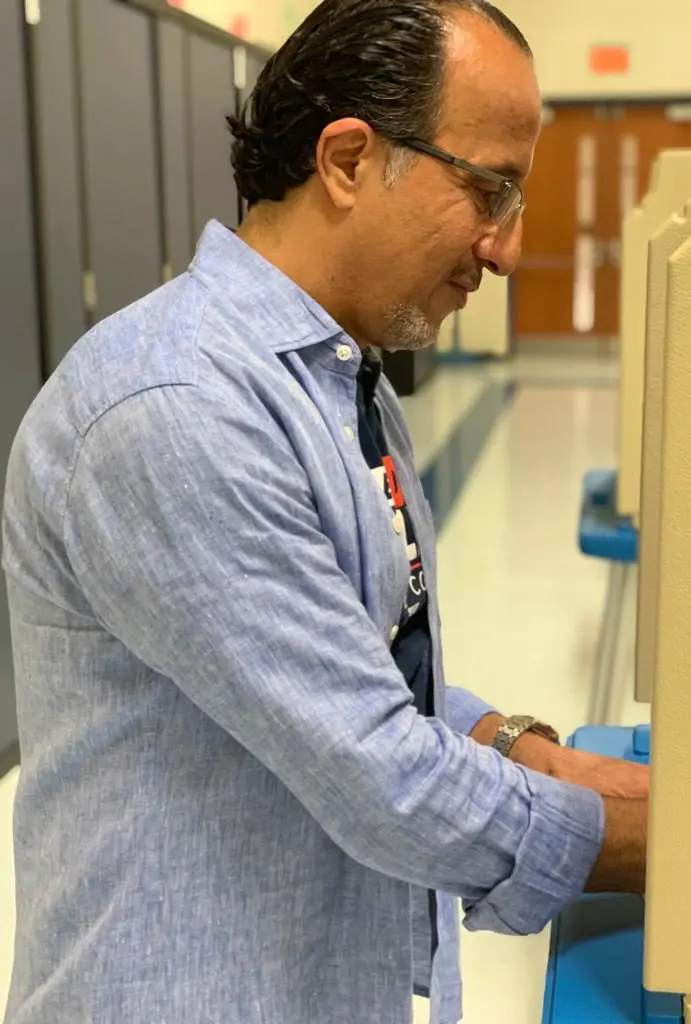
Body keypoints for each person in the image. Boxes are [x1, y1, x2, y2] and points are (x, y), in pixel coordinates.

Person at [1, 1, 649, 1022]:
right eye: (489, 190)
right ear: (348, 160)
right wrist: (670, 846)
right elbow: (382, 772)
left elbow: (352, 661)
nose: (507, 249)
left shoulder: (336, 378)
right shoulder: (177, 407)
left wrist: (518, 744)